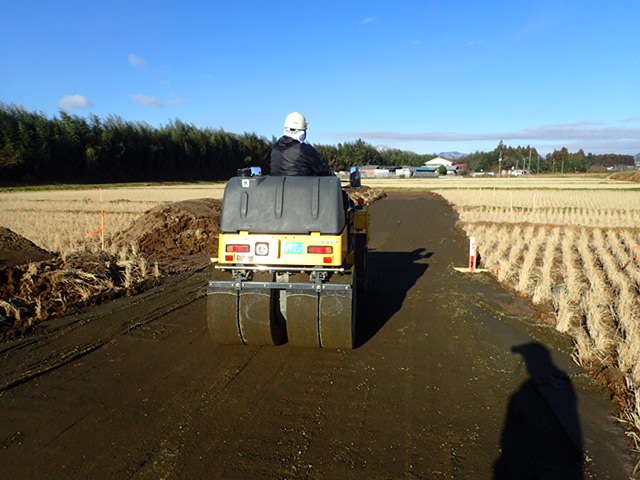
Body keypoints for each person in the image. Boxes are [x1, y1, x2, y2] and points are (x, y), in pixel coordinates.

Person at [270, 112, 332, 176]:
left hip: (276, 185)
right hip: (302, 185)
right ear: (303, 131)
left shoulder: (275, 148)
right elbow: (323, 171)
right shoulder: (306, 150)